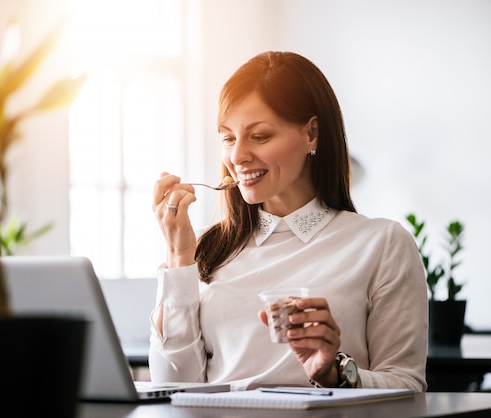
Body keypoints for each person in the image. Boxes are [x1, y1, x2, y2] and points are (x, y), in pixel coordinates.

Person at [150, 51, 427, 391]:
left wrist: (336, 374)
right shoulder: (206, 248)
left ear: (311, 133)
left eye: (260, 136)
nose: (237, 156)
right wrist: (179, 256)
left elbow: (407, 387)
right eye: (228, 137)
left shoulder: (382, 244)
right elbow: (173, 386)